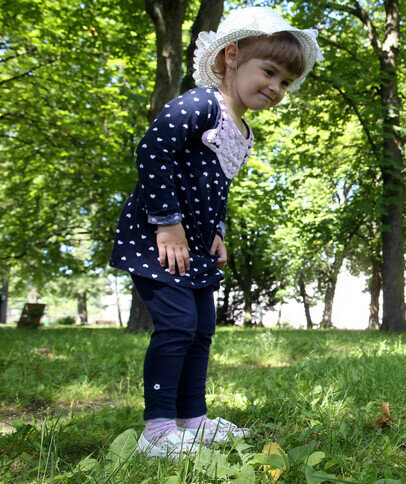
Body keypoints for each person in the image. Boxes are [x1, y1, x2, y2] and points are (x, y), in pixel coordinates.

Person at [109, 6, 322, 459]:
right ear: (231, 56)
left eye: (286, 81)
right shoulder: (200, 103)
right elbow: (152, 153)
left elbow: (213, 188)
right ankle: (158, 428)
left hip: (196, 245)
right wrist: (166, 224)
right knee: (178, 325)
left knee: (202, 326)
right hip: (159, 239)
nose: (277, 88)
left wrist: (216, 231)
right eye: (269, 72)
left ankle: (193, 418)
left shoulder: (241, 130)